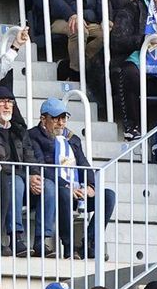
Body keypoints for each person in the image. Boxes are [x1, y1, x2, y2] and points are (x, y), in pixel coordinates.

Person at [27, 98, 115, 258]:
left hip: (76, 190)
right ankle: (68, 246)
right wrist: (68, 186)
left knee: (108, 196)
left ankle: (89, 243)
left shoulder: (72, 138)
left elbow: (83, 164)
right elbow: (41, 167)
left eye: (63, 118)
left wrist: (89, 186)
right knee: (64, 193)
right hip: (55, 190)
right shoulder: (33, 136)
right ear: (43, 119)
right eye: (55, 118)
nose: (61, 123)